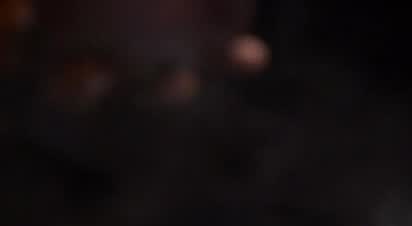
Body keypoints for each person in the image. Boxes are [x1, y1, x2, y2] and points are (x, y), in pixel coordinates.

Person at [0, 0, 268, 108]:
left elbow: (95, 79)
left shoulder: (182, 71)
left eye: (244, 64)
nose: (243, 57)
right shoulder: (225, 13)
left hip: (72, 37)